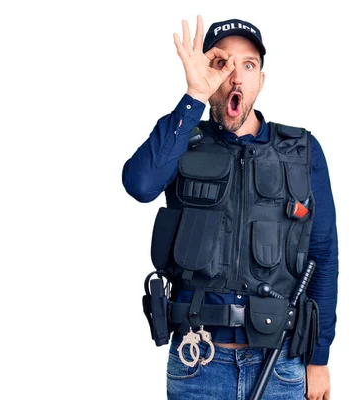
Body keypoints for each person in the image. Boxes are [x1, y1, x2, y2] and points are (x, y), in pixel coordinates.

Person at [122, 15, 338, 400]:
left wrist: (318, 359)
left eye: (249, 65)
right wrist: (193, 97)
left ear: (262, 80)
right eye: (224, 63)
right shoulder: (183, 138)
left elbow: (323, 256)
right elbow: (139, 184)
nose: (237, 76)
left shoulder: (303, 151)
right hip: (197, 363)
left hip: (281, 366)